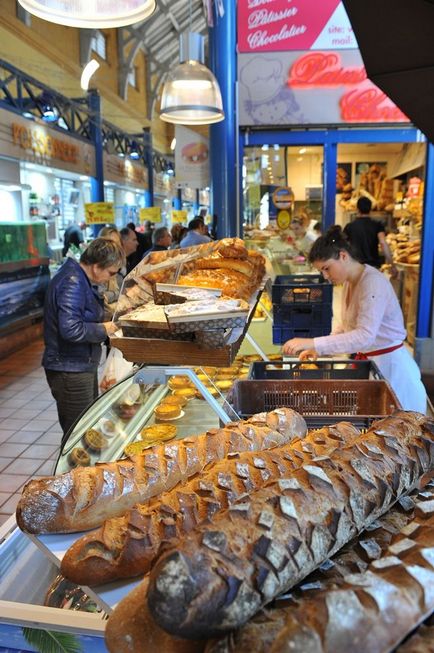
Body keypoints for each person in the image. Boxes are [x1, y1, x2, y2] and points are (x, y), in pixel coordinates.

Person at [282, 226, 426, 413]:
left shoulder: (373, 282)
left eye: (327, 268)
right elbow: (346, 325)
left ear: (343, 256)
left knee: (401, 429)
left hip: (394, 371)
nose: (326, 276)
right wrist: (317, 350)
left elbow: (364, 336)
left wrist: (314, 343)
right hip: (372, 366)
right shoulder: (350, 283)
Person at [42, 238, 125, 445]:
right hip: (69, 369)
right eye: (111, 273)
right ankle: (73, 476)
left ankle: (82, 475)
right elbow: (71, 329)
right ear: (97, 266)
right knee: (77, 435)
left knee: (86, 426)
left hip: (79, 364)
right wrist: (104, 329)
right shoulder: (73, 281)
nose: (109, 279)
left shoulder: (79, 278)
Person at [344, 197, 397, 275]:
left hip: (355, 267)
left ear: (357, 209)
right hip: (373, 268)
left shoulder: (349, 227)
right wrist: (392, 264)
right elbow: (383, 243)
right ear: (370, 209)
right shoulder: (377, 225)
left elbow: (343, 246)